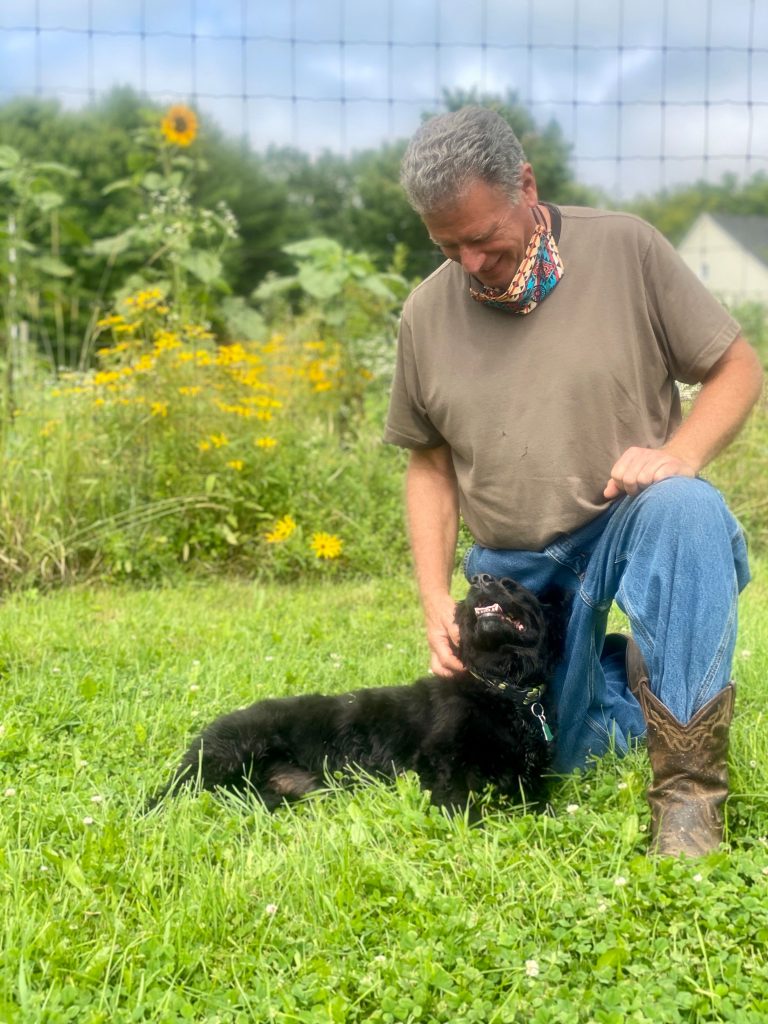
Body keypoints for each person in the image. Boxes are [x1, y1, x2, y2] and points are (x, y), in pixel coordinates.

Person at [384, 105, 764, 857]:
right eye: (446, 244)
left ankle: (687, 797)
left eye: (484, 238)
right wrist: (434, 600)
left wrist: (679, 453)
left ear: (524, 184)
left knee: (685, 506)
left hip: (626, 519)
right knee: (551, 760)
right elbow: (427, 463)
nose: (469, 263)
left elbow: (737, 366)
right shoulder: (425, 315)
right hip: (518, 575)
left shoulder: (627, 249)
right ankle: (621, 676)